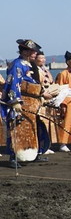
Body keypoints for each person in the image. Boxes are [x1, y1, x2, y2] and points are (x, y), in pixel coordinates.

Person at [1, 39, 49, 168]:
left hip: (34, 102)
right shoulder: (16, 65)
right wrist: (15, 101)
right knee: (17, 129)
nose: (35, 54)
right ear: (25, 51)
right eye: (33, 51)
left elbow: (36, 82)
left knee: (35, 129)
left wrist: (40, 95)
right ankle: (13, 156)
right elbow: (13, 83)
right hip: (22, 101)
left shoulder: (30, 65)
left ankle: (36, 152)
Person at [32, 51, 58, 154]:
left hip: (49, 96)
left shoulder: (45, 70)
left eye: (44, 58)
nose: (43, 60)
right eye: (41, 58)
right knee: (42, 123)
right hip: (42, 97)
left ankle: (47, 145)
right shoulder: (34, 70)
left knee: (49, 123)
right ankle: (42, 146)